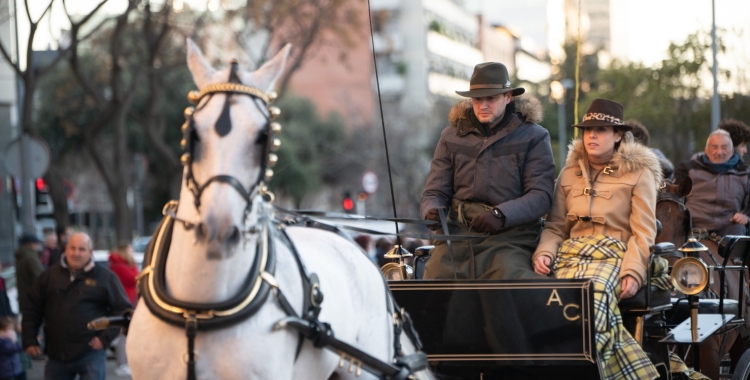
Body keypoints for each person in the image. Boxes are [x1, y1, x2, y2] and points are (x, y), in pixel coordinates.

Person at [532, 99, 666, 379]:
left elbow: (644, 232)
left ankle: (585, 370)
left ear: (618, 135)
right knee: (545, 301)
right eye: (587, 129)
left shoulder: (639, 173)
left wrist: (633, 271)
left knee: (592, 297)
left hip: (613, 255)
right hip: (570, 256)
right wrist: (543, 253)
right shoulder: (569, 173)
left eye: (601, 129)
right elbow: (556, 227)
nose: (592, 135)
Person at [421, 62, 555, 279]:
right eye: (477, 99)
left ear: (508, 97)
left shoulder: (534, 136)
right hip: (458, 236)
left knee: (510, 282)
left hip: (511, 237)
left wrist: (501, 215)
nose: (483, 105)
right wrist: (432, 210)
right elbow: (434, 191)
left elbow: (541, 196)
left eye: (490, 98)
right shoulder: (450, 136)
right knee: (435, 281)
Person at [22, 233, 132, 380]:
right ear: (66, 249)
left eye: (82, 249)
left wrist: (104, 338)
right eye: (72, 248)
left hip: (91, 353)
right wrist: (29, 339)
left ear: (90, 252)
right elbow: (32, 307)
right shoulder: (49, 276)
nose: (76, 253)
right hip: (56, 355)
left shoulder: (105, 278)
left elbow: (122, 310)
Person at [674, 129, 750, 237]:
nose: (719, 153)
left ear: (732, 151)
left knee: (740, 237)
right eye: (714, 148)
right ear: (706, 150)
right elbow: (675, 198)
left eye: (724, 148)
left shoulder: (745, 173)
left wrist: (746, 216)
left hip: (730, 227)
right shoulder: (687, 170)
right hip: (693, 227)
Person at [108, 243, 138, 377]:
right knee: (124, 335)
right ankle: (121, 364)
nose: (133, 252)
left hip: (130, 302)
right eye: (131, 250)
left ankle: (125, 362)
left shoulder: (126, 264)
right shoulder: (119, 266)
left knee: (127, 335)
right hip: (124, 304)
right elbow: (135, 277)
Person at [13, 235, 43, 316]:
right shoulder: (31, 258)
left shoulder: (21, 257)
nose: (37, 246)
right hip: (33, 302)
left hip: (25, 300)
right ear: (30, 244)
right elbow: (39, 280)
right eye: (36, 243)